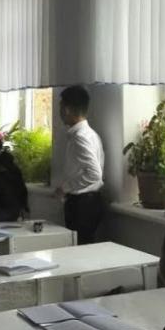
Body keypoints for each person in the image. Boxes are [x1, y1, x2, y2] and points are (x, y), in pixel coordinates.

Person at [54, 86, 105, 244]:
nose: (60, 112)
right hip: (88, 203)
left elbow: (94, 174)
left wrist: (65, 188)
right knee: (82, 248)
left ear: (67, 109)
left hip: (83, 205)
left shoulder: (80, 137)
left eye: (60, 107)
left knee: (79, 249)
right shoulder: (90, 134)